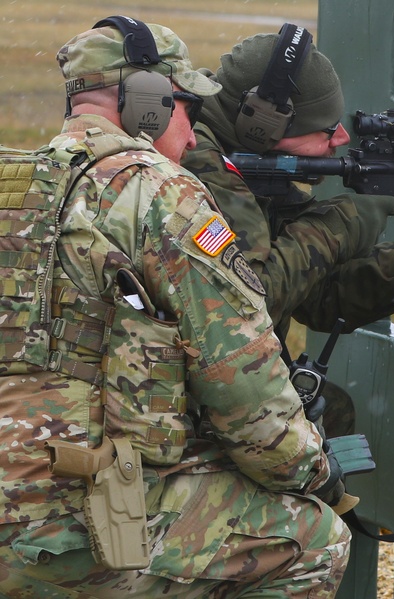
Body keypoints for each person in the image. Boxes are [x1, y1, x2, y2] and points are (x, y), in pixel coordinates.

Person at [0, 18, 352, 598]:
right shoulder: (162, 195)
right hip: (61, 528)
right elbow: (248, 395)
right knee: (312, 541)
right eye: (186, 109)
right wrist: (316, 472)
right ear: (149, 104)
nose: (191, 138)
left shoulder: (21, 189)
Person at [183, 24, 394, 353]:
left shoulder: (250, 160)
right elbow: (248, 304)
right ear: (264, 123)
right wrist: (335, 228)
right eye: (326, 128)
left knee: (335, 409)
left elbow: (323, 299)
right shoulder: (198, 161)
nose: (343, 138)